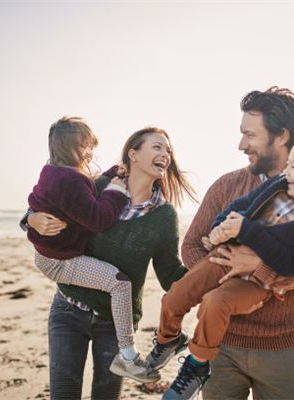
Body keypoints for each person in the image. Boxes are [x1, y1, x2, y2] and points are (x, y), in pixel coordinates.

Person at [147, 123, 294, 400]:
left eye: (250, 135)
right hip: (223, 344)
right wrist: (223, 239)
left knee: (217, 301)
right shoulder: (237, 184)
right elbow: (196, 241)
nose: (241, 145)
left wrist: (257, 265)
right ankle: (168, 343)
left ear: (281, 136)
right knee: (175, 296)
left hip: (281, 348)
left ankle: (196, 364)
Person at [22, 126, 197, 400]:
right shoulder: (100, 187)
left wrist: (209, 277)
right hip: (68, 310)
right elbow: (52, 200)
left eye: (169, 150)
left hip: (114, 325)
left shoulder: (164, 216)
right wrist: (30, 218)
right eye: (157, 147)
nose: (166, 154)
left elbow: (170, 274)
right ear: (133, 154)